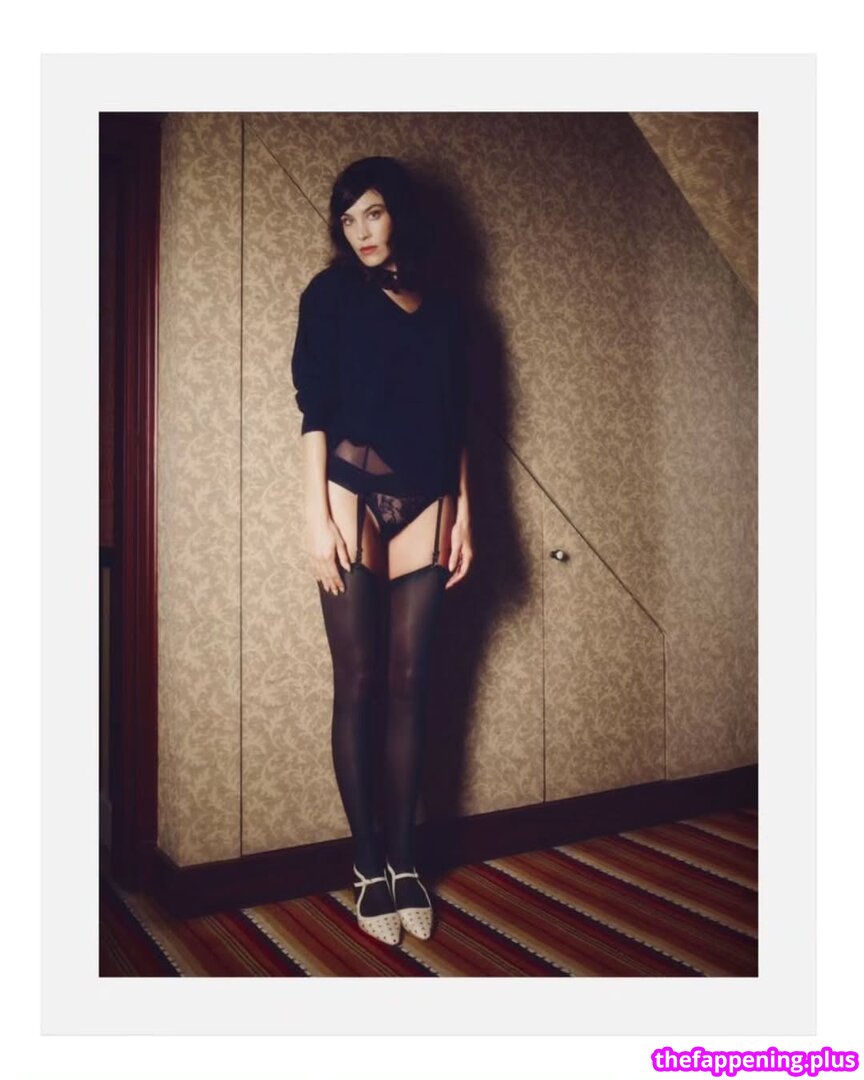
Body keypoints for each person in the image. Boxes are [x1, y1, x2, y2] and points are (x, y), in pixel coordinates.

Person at [291, 157, 473, 945]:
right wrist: (314, 517)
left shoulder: (449, 309)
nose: (361, 231)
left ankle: (404, 861)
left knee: (411, 683)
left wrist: (466, 514)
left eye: (372, 212)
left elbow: (457, 419)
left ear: (398, 212)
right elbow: (315, 409)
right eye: (348, 219)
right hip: (349, 487)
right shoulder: (329, 295)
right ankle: (367, 863)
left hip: (429, 495)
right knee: (359, 680)